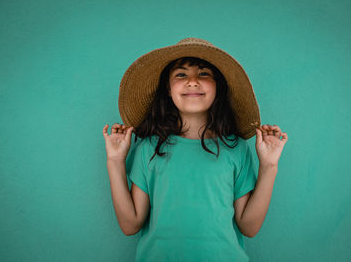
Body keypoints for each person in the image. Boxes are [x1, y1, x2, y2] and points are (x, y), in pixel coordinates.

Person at [102, 37, 288, 262]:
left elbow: (249, 227)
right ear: (168, 90)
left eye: (203, 74)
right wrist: (115, 160)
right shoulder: (148, 148)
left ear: (218, 88)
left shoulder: (236, 148)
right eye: (181, 74)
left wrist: (269, 165)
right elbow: (130, 224)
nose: (192, 82)